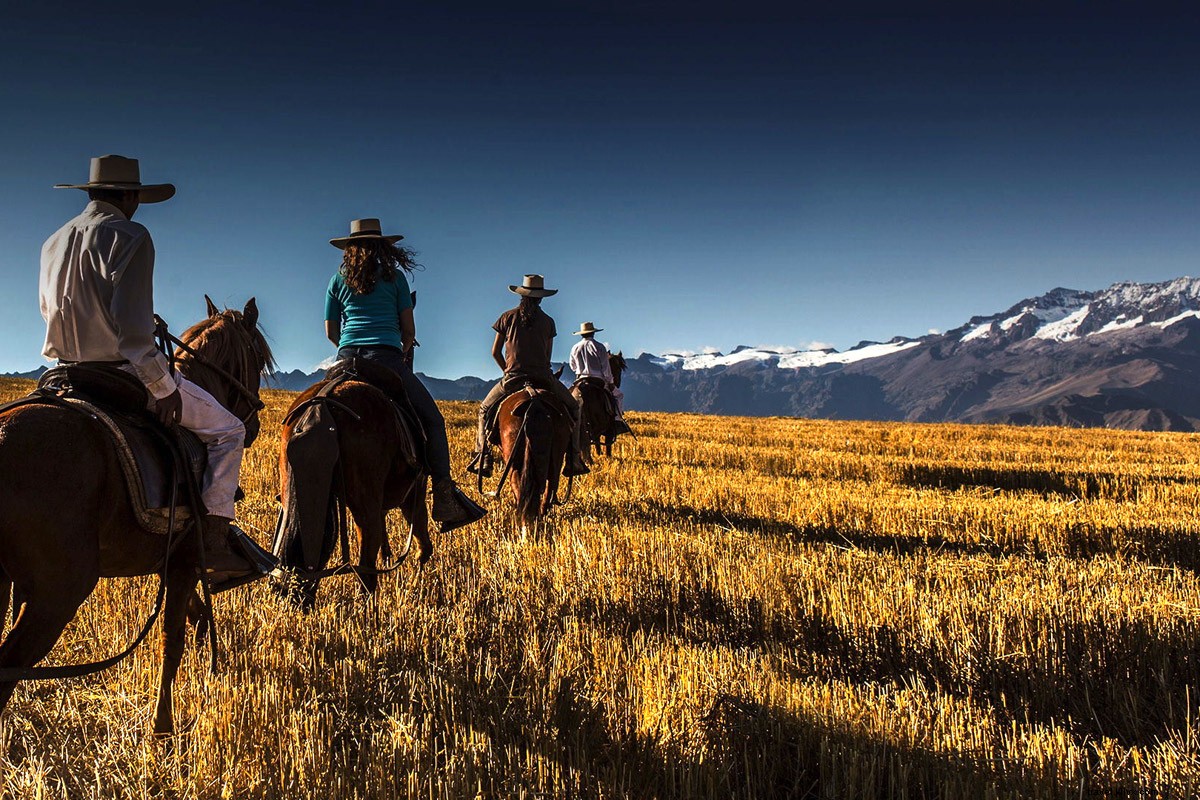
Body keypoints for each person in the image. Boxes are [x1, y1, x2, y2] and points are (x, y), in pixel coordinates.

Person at [41, 154, 265, 587]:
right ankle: (213, 545)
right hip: (119, 372)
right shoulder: (130, 235)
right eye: (137, 198)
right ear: (128, 196)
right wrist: (162, 388)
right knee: (229, 431)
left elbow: (57, 308)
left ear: (90, 193)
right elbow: (133, 338)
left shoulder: (54, 241)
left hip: (62, 372)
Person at [324, 218, 483, 529]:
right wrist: (401, 345)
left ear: (349, 249)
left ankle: (293, 486)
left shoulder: (336, 280)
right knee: (433, 421)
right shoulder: (395, 278)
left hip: (345, 359)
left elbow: (331, 330)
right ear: (383, 248)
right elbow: (409, 331)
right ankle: (444, 496)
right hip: (386, 358)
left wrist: (349, 345)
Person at [468, 274, 589, 478]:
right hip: (543, 378)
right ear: (541, 298)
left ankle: (484, 458)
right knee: (574, 408)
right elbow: (547, 357)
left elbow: (494, 352)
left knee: (484, 409)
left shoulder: (507, 317)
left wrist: (506, 370)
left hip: (513, 377)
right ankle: (574, 458)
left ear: (521, 295)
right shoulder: (549, 322)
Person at [568, 321, 630, 434]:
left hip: (580, 380)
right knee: (619, 396)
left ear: (581, 334)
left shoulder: (575, 348)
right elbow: (605, 368)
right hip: (598, 380)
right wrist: (610, 382)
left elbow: (572, 366)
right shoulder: (600, 347)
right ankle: (617, 422)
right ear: (593, 333)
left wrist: (581, 371)